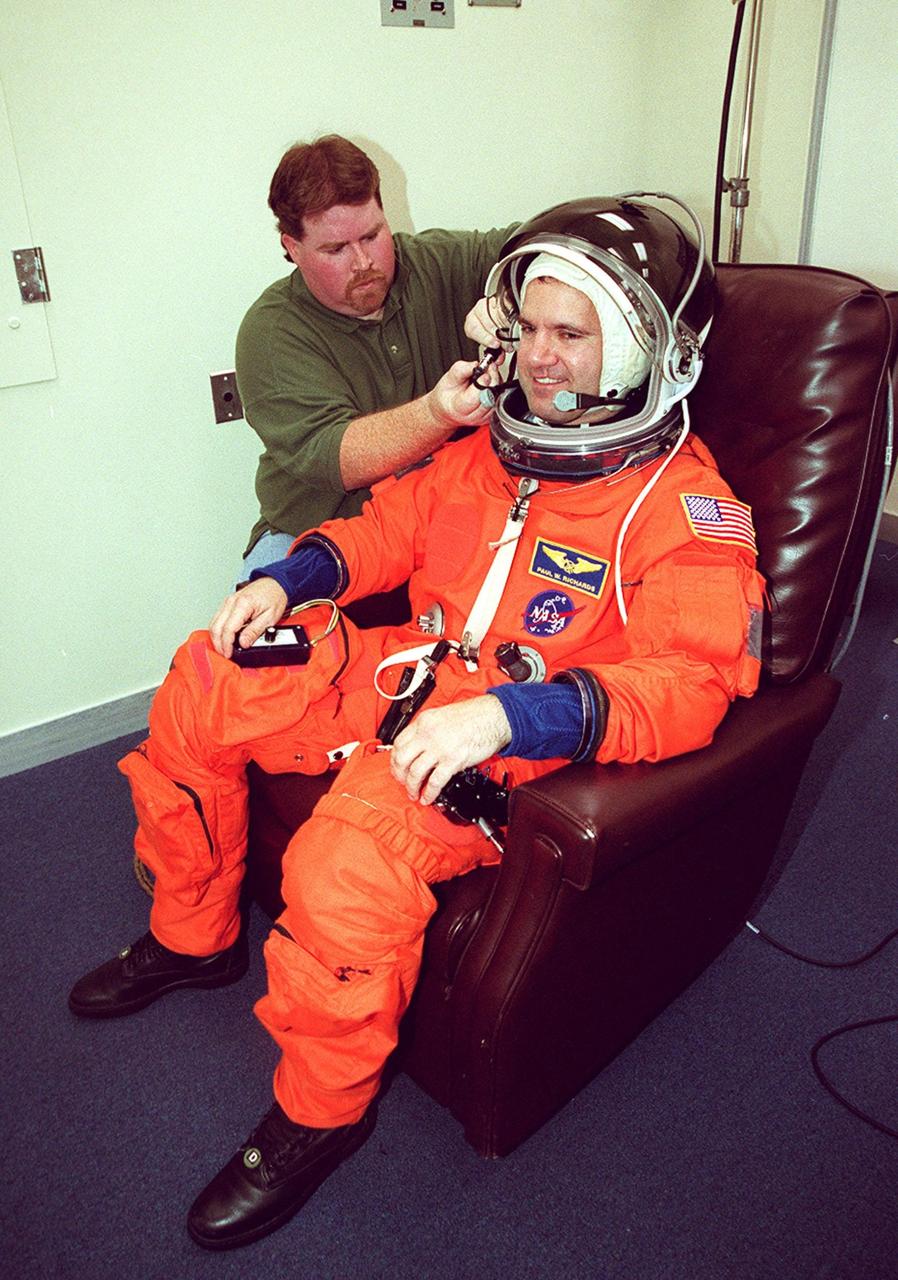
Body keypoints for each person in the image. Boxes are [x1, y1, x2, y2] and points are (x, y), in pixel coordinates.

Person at [69, 195, 766, 1250]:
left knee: (343, 863)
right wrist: (293, 579)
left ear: (641, 352)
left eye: (570, 334)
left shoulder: (682, 511)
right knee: (208, 676)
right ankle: (191, 935)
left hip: (509, 739)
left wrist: (508, 714)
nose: (538, 357)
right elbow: (388, 526)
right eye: (529, 327)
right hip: (404, 670)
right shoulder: (496, 449)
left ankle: (318, 1115)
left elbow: (691, 681)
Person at [237, 134, 516, 574]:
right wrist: (437, 413)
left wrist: (518, 292)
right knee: (259, 617)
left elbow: (544, 241)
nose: (362, 261)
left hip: (440, 525)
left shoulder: (440, 262)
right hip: (313, 533)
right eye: (335, 249)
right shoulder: (271, 331)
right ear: (293, 248)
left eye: (372, 235)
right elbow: (337, 456)